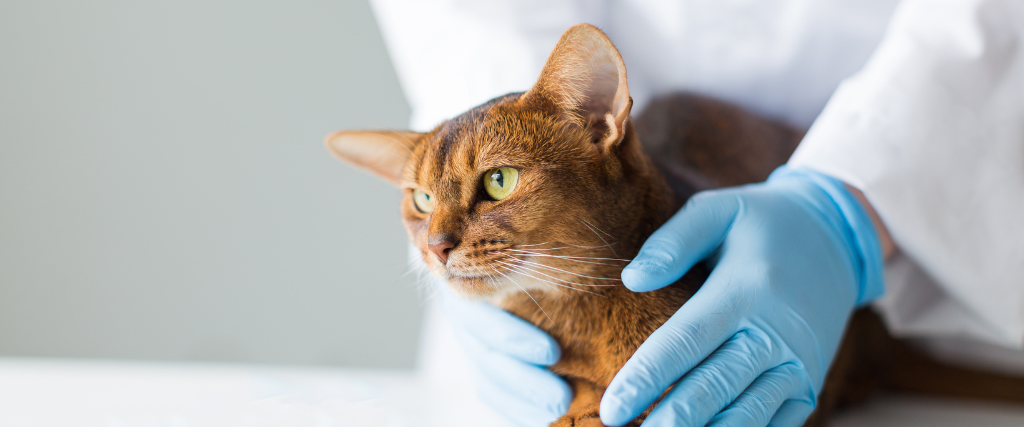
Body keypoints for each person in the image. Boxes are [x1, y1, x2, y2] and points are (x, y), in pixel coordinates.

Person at [369, 0, 1024, 425]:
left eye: (494, 183)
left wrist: (848, 204)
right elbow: (472, 34)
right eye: (421, 203)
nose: (439, 235)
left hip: (951, 247)